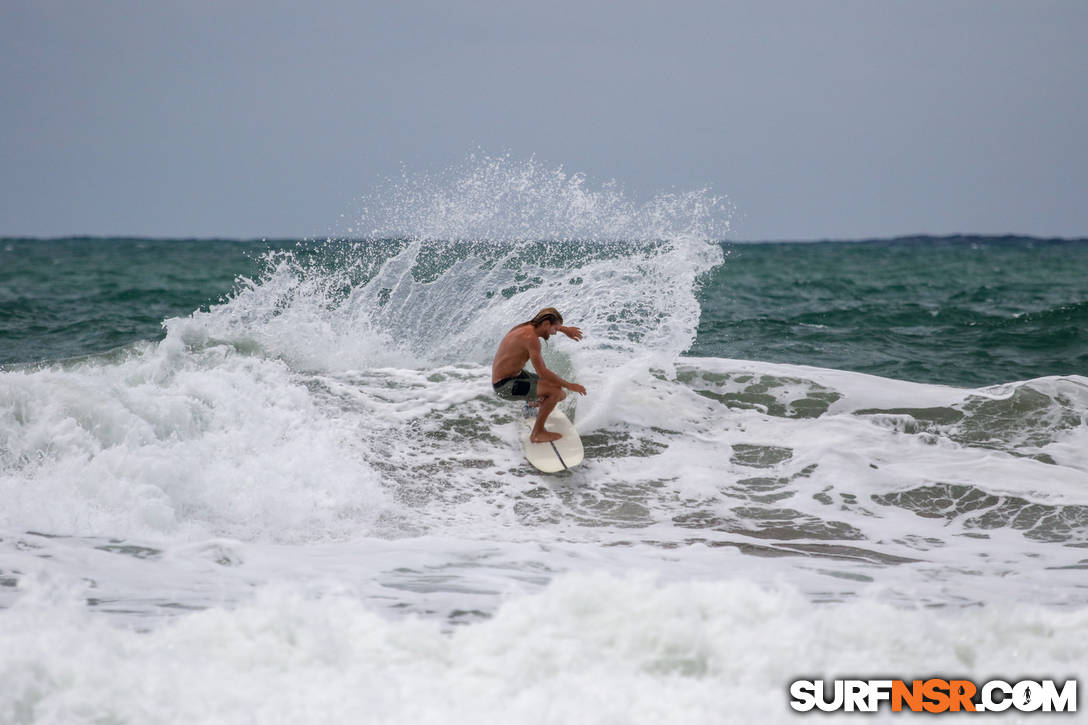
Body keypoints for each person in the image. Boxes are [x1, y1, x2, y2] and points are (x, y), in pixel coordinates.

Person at [491, 307, 587, 443]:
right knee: (557, 393)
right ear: (546, 324)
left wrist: (565, 330)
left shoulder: (527, 327)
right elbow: (543, 372)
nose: (554, 333)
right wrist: (570, 385)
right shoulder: (531, 339)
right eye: (555, 329)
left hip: (514, 376)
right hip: (504, 386)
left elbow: (550, 324)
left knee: (556, 389)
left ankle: (530, 404)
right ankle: (537, 433)